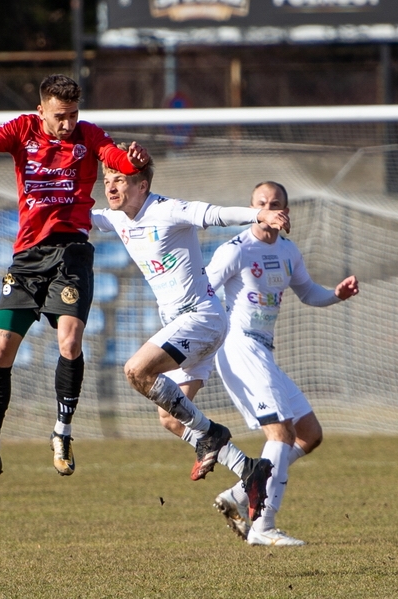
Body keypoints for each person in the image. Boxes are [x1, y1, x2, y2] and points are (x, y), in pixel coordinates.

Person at [0, 74, 151, 487]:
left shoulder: (88, 135)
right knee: (0, 350)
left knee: (70, 341)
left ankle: (62, 433)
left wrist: (134, 161)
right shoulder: (22, 129)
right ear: (41, 109)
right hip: (27, 258)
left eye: (74, 114)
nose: (68, 123)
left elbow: (116, 158)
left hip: (71, 253)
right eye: (60, 116)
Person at [91, 151, 291, 521]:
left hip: (201, 318)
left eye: (120, 180)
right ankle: (249, 469)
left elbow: (213, 214)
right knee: (170, 418)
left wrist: (258, 214)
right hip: (188, 325)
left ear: (142, 185)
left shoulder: (166, 209)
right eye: (107, 180)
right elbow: (74, 216)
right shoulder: (115, 218)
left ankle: (212, 435)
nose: (111, 186)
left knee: (136, 371)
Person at [200, 181, 359, 547]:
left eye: (276, 203)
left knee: (309, 434)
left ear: (286, 210)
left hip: (263, 350)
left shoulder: (288, 250)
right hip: (239, 346)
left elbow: (307, 292)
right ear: (253, 208)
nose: (270, 208)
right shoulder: (235, 250)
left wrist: (335, 294)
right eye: (262, 203)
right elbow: (203, 291)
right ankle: (263, 525)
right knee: (281, 433)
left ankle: (242, 492)